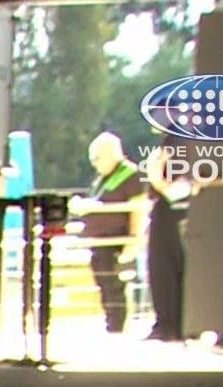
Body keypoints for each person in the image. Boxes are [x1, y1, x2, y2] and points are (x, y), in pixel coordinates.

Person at [74, 132, 145, 335]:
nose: (94, 163)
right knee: (104, 284)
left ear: (111, 154)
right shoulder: (103, 178)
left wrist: (133, 240)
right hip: (99, 241)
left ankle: (117, 326)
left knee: (114, 285)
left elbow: (138, 210)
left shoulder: (130, 175)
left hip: (116, 241)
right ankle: (111, 323)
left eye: (97, 158)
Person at [140, 141, 191, 342]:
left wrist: (158, 179)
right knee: (162, 268)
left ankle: (175, 324)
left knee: (172, 268)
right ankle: (168, 323)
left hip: (178, 206)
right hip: (166, 210)